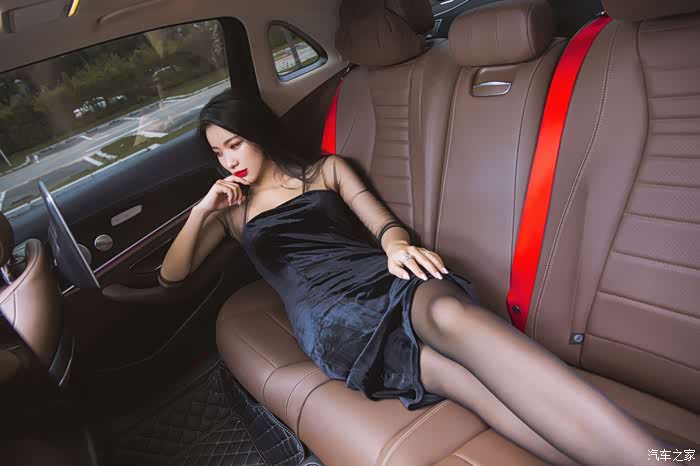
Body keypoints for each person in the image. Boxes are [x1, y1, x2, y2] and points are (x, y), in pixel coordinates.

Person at [159, 90, 663, 466]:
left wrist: (397, 246)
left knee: (449, 313)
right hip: (333, 323)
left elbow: (383, 224)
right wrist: (202, 209)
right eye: (219, 154)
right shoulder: (233, 213)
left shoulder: (326, 171)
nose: (230, 161)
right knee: (467, 383)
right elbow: (171, 277)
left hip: (385, 274)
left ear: (259, 134)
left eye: (235, 145)